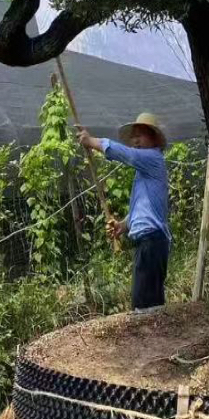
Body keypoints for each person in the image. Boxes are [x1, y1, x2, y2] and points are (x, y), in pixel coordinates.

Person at [79, 112, 170, 310]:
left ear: (154, 138)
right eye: (133, 136)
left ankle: (150, 340)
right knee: (147, 303)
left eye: (141, 135)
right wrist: (123, 225)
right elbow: (142, 207)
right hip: (148, 243)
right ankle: (152, 338)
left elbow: (125, 154)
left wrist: (91, 141)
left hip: (152, 242)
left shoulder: (153, 158)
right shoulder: (144, 171)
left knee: (145, 307)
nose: (135, 140)